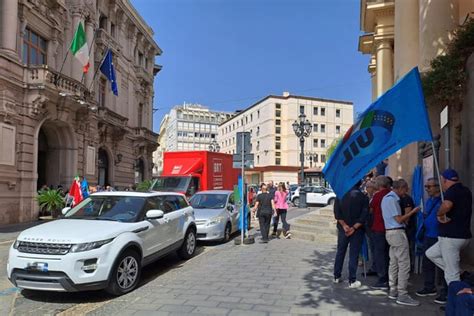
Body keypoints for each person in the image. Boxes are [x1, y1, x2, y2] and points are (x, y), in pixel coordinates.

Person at [426, 169, 472, 308]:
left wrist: (439, 214)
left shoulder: (451, 191)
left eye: (441, 181)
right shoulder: (466, 191)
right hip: (461, 236)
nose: (441, 184)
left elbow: (446, 205)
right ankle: (460, 273)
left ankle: (455, 304)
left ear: (445, 180)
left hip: (450, 237)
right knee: (431, 253)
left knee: (451, 276)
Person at [381, 179, 421, 306]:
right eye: (405, 189)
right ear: (400, 188)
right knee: (404, 263)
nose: (407, 191)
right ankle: (402, 294)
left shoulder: (387, 198)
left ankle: (393, 290)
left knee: (394, 262)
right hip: (396, 233)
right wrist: (413, 212)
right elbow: (398, 219)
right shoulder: (392, 199)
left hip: (390, 233)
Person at [416, 178, 447, 302]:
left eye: (429, 187)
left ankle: (445, 290)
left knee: (443, 264)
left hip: (439, 235)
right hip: (428, 235)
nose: (427, 189)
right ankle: (429, 286)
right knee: (427, 263)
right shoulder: (429, 200)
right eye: (426, 187)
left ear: (437, 187)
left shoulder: (443, 200)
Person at [333, 181, 368, 288]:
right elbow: (364, 215)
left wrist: (344, 226)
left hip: (343, 228)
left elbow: (337, 213)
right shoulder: (363, 197)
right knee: (354, 254)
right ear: (360, 184)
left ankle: (336, 276)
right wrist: (353, 228)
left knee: (340, 252)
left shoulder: (340, 195)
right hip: (357, 230)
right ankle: (352, 280)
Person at [369, 176, 392, 289]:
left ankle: (383, 279)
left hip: (379, 228)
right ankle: (389, 277)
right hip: (390, 228)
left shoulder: (378, 195)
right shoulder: (392, 194)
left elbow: (371, 209)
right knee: (388, 254)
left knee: (380, 254)